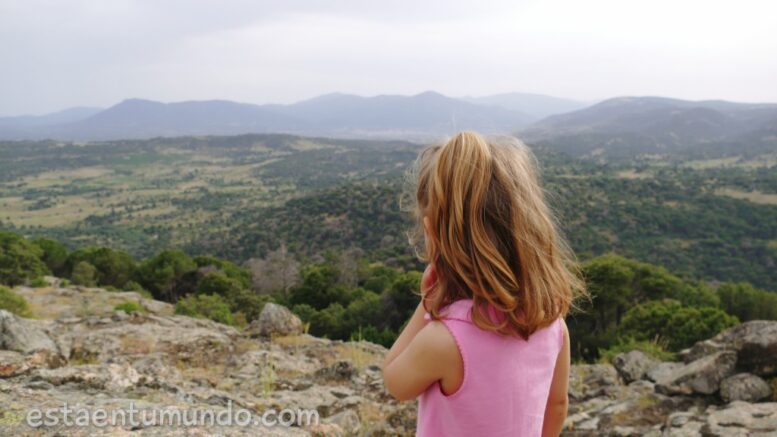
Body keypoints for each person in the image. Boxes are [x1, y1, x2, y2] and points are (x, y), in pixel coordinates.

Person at [382, 131, 586, 436]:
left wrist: (426, 304)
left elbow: (394, 381)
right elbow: (556, 407)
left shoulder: (444, 339)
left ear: (434, 233)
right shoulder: (552, 325)